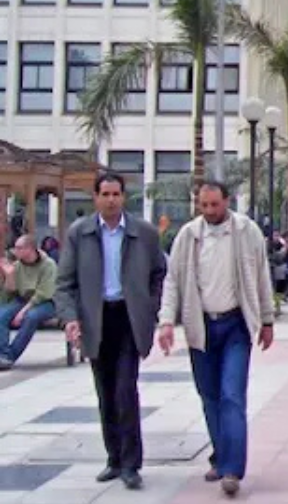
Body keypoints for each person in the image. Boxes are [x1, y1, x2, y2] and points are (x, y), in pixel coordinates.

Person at [157, 181, 275, 497]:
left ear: (227, 202)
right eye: (204, 205)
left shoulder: (246, 232)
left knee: (232, 395)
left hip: (236, 323)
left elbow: (262, 276)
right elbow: (173, 281)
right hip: (202, 326)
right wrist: (166, 321)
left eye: (215, 205)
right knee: (209, 396)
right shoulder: (189, 236)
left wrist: (267, 320)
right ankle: (221, 456)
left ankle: (233, 470)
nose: (210, 211)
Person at [55, 173, 165, 491]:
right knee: (105, 393)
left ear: (123, 197)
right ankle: (114, 459)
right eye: (105, 193)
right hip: (96, 319)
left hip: (130, 318)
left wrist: (150, 307)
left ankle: (132, 464)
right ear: (96, 197)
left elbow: (159, 272)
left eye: (116, 194)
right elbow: (64, 283)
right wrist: (70, 318)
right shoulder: (80, 233)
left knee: (125, 391)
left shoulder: (143, 233)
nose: (111, 200)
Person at [0, 234, 58, 369]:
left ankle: (10, 356)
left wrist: (22, 312)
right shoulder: (17, 266)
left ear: (30, 249)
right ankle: (3, 354)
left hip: (46, 302)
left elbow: (44, 293)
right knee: (2, 314)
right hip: (22, 300)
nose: (15, 251)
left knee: (31, 317)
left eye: (19, 248)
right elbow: (9, 294)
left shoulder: (48, 265)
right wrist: (9, 276)